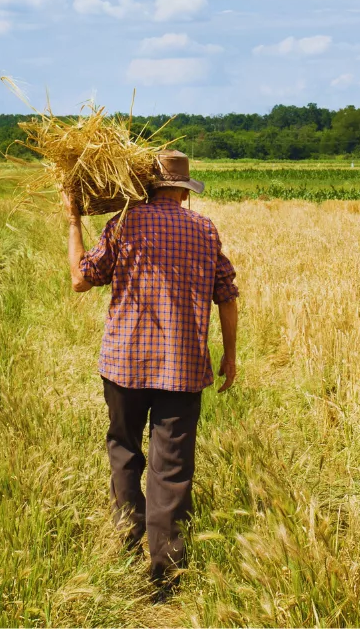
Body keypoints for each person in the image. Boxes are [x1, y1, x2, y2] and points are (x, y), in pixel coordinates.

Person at [62, 151, 239, 602]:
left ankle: (127, 537)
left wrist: (72, 221)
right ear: (182, 190)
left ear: (146, 186)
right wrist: (230, 353)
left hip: (125, 363)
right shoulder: (204, 229)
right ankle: (165, 572)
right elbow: (227, 295)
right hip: (183, 365)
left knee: (123, 447)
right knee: (173, 466)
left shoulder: (124, 223)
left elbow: (82, 279)